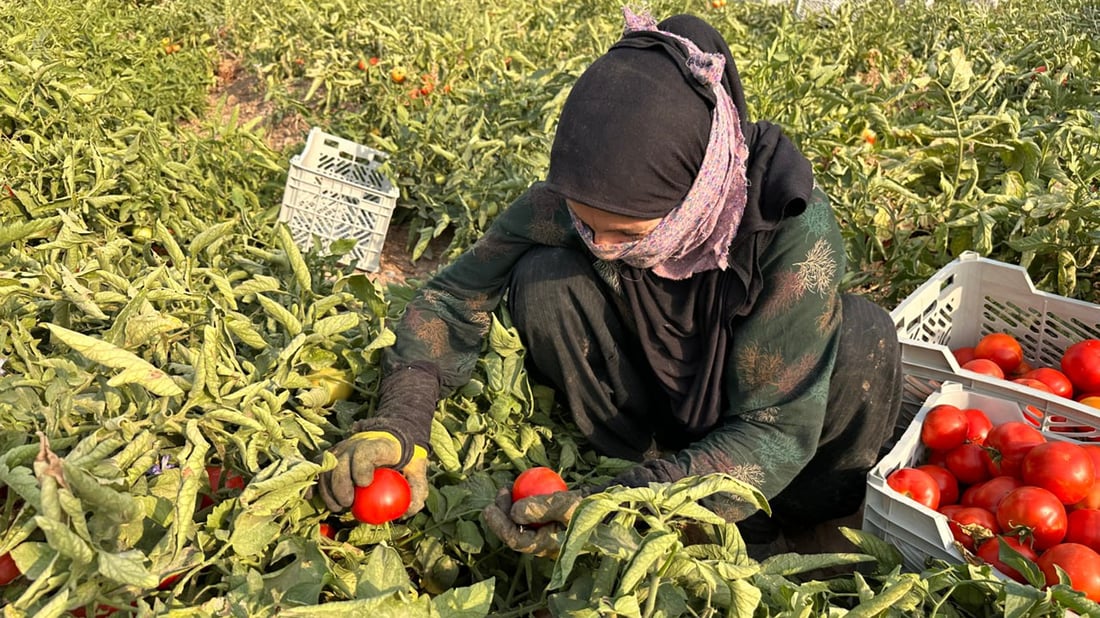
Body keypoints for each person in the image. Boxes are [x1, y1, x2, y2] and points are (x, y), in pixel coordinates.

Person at [317, 7, 903, 558]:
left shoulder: (788, 228)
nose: (600, 243)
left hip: (769, 436)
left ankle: (787, 525)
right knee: (544, 279)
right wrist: (403, 421)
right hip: (650, 418)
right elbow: (451, 300)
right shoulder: (572, 206)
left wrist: (618, 511)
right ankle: (648, 464)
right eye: (584, 222)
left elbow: (774, 427)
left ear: (695, 193)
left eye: (626, 233)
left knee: (863, 340)